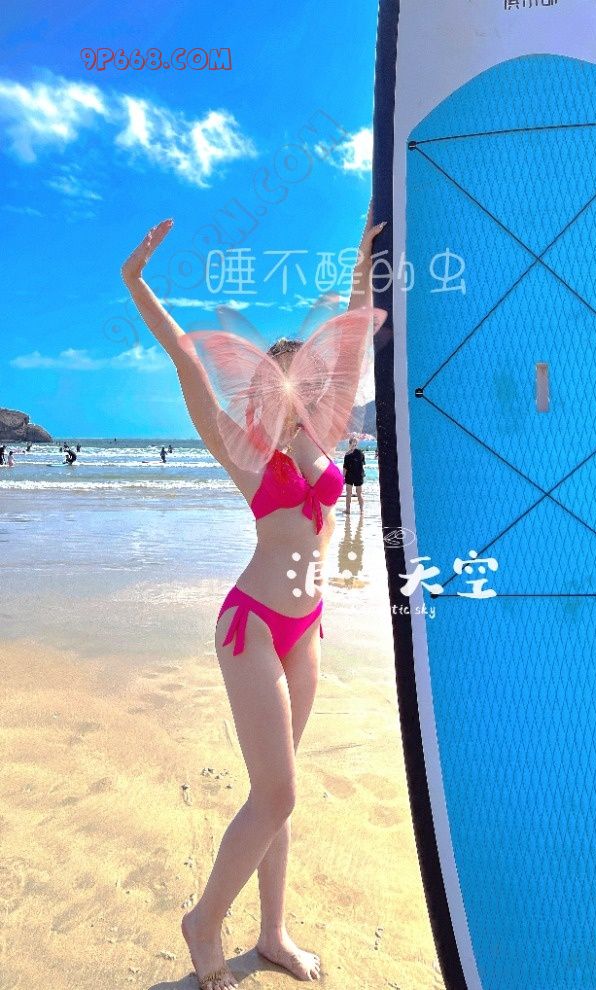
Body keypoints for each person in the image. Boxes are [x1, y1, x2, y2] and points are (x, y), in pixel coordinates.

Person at [121, 203, 387, 990]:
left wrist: (361, 258)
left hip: (307, 626)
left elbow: (349, 345)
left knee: (280, 795)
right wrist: (136, 282)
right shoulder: (245, 455)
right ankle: (204, 922)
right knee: (276, 792)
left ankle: (272, 933)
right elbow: (186, 361)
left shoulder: (328, 439)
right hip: (253, 628)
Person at [342, 435, 366, 515]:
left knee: (356, 493)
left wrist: (342, 477)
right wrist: (343, 477)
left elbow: (345, 468)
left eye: (355, 445)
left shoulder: (350, 454)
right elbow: (345, 468)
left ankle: (359, 510)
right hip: (354, 476)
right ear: (349, 445)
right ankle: (352, 510)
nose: (354, 446)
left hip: (355, 476)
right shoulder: (359, 453)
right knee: (351, 494)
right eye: (353, 445)